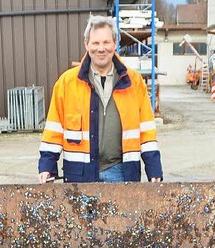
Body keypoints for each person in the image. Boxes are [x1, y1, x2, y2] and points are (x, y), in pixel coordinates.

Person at [38, 15, 162, 183]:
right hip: (79, 175)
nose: (101, 48)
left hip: (121, 173)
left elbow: (146, 130)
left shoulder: (134, 82)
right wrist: (47, 167)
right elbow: (54, 129)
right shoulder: (67, 83)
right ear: (86, 44)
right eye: (95, 43)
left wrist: (154, 168)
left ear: (115, 43)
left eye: (106, 42)